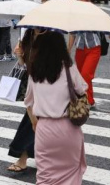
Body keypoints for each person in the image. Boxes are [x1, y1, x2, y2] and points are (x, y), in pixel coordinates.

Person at [24, 31, 88, 183]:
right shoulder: (68, 68)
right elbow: (82, 89)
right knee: (71, 173)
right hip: (68, 127)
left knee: (45, 176)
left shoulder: (34, 71)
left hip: (44, 129)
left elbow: (28, 103)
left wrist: (34, 122)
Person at [7, 27, 39, 173]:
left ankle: (23, 158)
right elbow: (23, 66)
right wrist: (20, 55)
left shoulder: (51, 37)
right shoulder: (27, 36)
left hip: (48, 85)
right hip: (33, 85)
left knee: (33, 123)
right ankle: (24, 157)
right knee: (32, 122)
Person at [69, 0, 103, 109]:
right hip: (80, 47)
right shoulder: (75, 17)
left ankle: (87, 101)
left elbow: (99, 28)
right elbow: (72, 34)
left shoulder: (95, 15)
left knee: (86, 74)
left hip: (93, 47)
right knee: (81, 76)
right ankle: (89, 100)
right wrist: (67, 51)